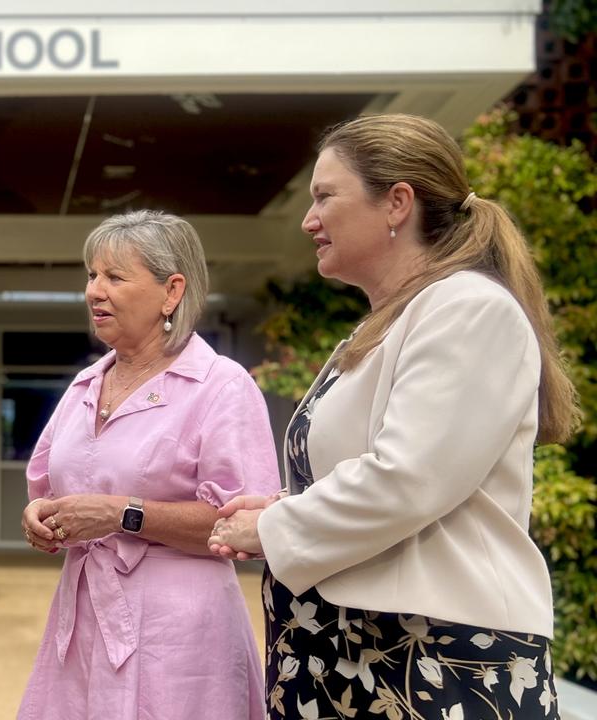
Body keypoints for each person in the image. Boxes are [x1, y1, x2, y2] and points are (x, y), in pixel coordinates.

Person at [209, 113, 579, 719]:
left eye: (325, 196)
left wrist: (272, 530)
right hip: (346, 649)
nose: (309, 220)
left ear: (396, 204)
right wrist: (283, 507)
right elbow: (375, 473)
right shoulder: (385, 325)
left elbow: (410, 479)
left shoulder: (469, 308)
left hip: (430, 658)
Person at [17, 210, 279, 720]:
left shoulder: (221, 386)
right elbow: (48, 488)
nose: (94, 290)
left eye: (115, 276)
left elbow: (246, 526)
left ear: (172, 291)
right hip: (81, 622)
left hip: (178, 636)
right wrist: (42, 518)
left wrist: (123, 514)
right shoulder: (86, 384)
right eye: (91, 275)